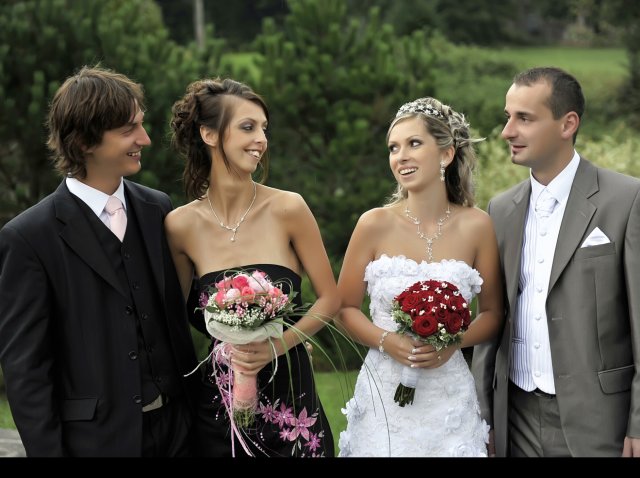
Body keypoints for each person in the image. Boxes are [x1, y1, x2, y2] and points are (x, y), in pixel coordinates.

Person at [0, 66, 200, 456]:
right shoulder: (28, 238)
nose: (144, 139)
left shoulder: (157, 208)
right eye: (128, 130)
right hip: (96, 443)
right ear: (84, 141)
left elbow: (185, 307)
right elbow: (26, 371)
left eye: (141, 124)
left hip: (180, 433)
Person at [166, 77, 340, 457]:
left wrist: (279, 345)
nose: (261, 139)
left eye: (264, 128)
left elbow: (330, 299)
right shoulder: (180, 226)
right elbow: (175, 320)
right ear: (209, 134)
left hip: (291, 393)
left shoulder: (288, 208)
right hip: (221, 398)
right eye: (248, 127)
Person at [472, 66, 640, 457]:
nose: (507, 131)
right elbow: (491, 319)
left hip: (600, 420)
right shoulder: (501, 210)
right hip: (515, 417)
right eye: (507, 117)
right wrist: (484, 415)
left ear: (568, 124)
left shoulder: (627, 200)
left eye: (524, 118)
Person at [336, 97, 503, 457]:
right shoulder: (373, 224)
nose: (401, 156)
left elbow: (493, 314)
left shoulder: (478, 225)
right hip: (383, 396)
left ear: (446, 154)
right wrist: (386, 341)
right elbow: (344, 309)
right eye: (393, 148)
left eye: (414, 143)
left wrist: (453, 342)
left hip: (449, 398)